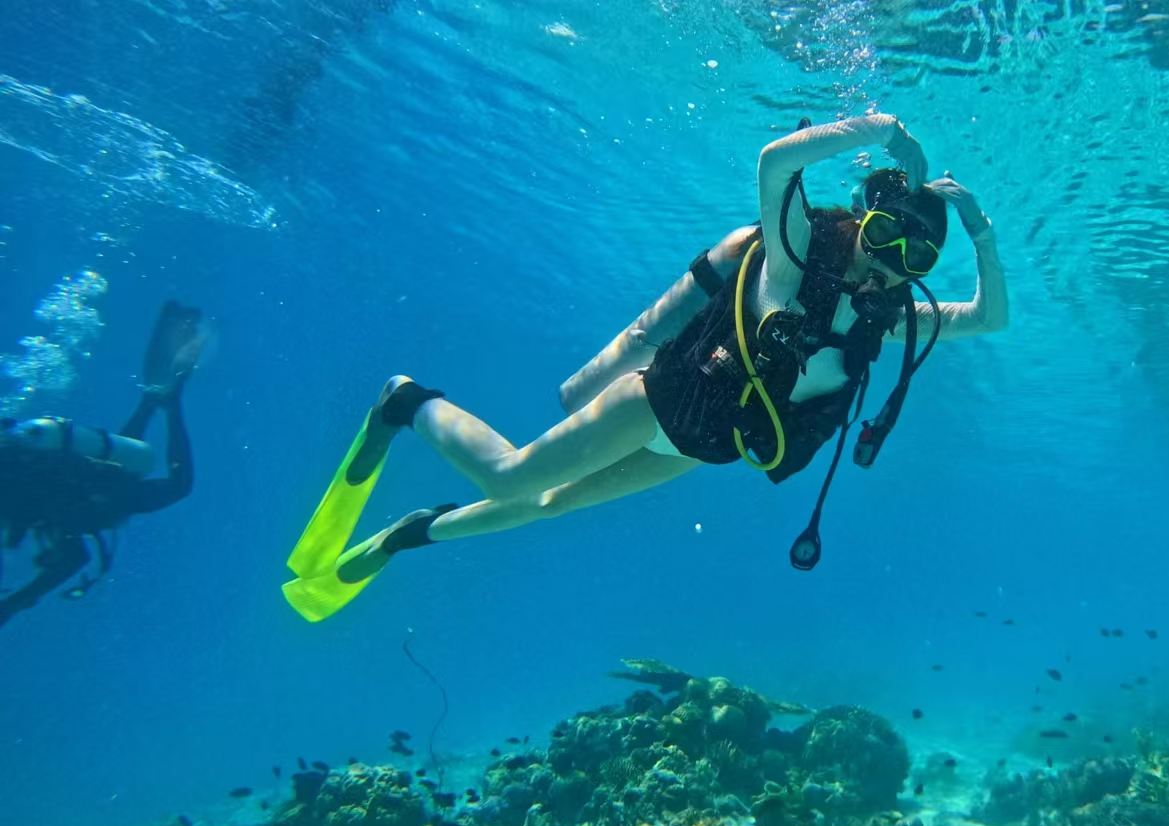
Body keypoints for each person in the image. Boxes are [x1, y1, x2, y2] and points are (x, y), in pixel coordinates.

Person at [283, 114, 1007, 621]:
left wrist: (979, 229)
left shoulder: (887, 320)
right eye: (885, 237)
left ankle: (412, 532)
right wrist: (880, 129)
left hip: (697, 450)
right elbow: (774, 161)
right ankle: (404, 399)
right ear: (860, 224)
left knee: (546, 505)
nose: (891, 264)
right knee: (508, 477)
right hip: (653, 405)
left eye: (917, 257)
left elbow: (988, 317)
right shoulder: (794, 260)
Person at [0, 301, 202, 629]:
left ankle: (169, 405)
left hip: (87, 497)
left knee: (177, 485)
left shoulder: (16, 495)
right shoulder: (15, 469)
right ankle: (153, 402)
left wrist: (14, 604)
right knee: (113, 467)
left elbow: (75, 556)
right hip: (82, 477)